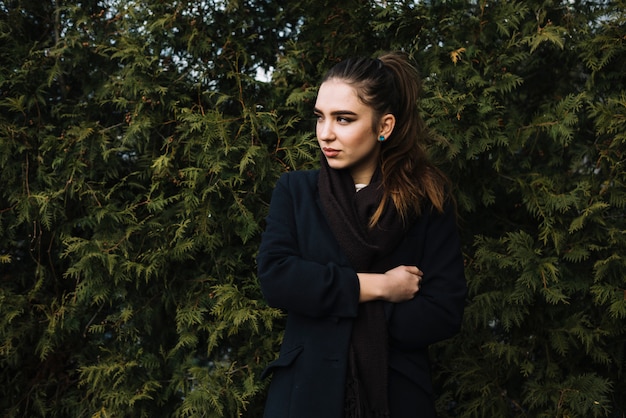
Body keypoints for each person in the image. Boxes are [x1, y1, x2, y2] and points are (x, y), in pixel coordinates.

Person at [257, 52, 467, 418]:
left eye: (344, 119)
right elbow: (278, 278)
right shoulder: (296, 191)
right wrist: (382, 288)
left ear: (383, 126)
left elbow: (443, 311)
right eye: (320, 117)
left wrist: (330, 305)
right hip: (304, 397)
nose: (326, 133)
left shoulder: (426, 200)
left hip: (397, 396)